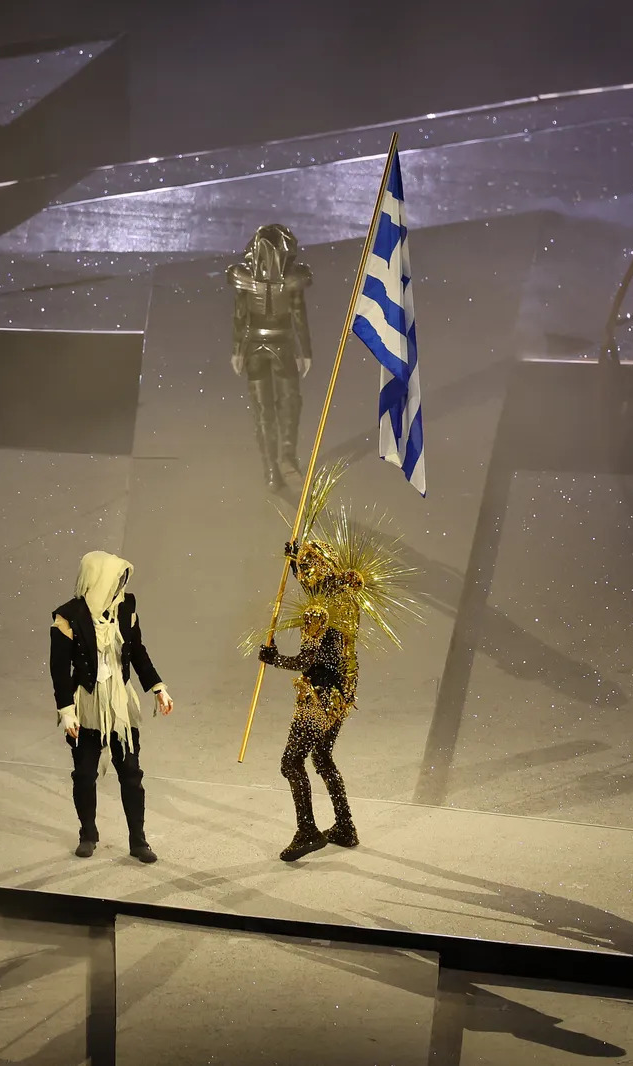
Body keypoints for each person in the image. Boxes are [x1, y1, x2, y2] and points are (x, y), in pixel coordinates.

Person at [254, 466, 421, 861]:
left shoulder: (317, 610)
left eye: (307, 568)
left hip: (319, 695)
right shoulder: (344, 597)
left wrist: (273, 658)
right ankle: (345, 826)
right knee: (322, 757)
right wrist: (294, 561)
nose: (305, 575)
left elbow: (306, 659)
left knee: (291, 762)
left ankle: (307, 830)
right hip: (344, 692)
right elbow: (318, 585)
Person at [50, 550, 173, 862]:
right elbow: (59, 669)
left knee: (131, 772)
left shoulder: (126, 606)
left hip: (120, 701)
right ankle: (88, 834)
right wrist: (66, 710)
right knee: (84, 774)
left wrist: (157, 687)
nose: (119, 585)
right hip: (87, 703)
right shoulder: (68, 616)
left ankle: (138, 840)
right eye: (114, 579)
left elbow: (138, 651)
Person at [227, 223, 314, 492]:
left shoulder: (244, 276)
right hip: (283, 345)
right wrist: (304, 351)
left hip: (255, 348)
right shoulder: (293, 278)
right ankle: (285, 458)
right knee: (288, 403)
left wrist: (238, 350)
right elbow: (298, 315)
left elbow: (240, 316)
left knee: (263, 409)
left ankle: (272, 469)